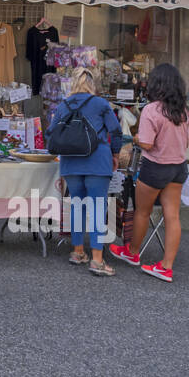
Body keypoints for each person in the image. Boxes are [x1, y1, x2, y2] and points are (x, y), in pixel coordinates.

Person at [110, 63, 189, 282]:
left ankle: (133, 253)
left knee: (142, 212)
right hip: (178, 167)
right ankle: (166, 266)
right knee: (172, 216)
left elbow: (145, 144)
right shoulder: (183, 110)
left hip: (155, 167)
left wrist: (135, 139)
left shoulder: (152, 109)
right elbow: (186, 140)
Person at [50, 67, 123, 276]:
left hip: (71, 163)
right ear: (92, 84)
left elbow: (51, 131)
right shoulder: (100, 104)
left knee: (77, 205)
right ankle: (97, 260)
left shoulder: (63, 105)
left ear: (73, 83)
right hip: (97, 161)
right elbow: (116, 131)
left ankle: (78, 251)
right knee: (98, 208)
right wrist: (115, 154)